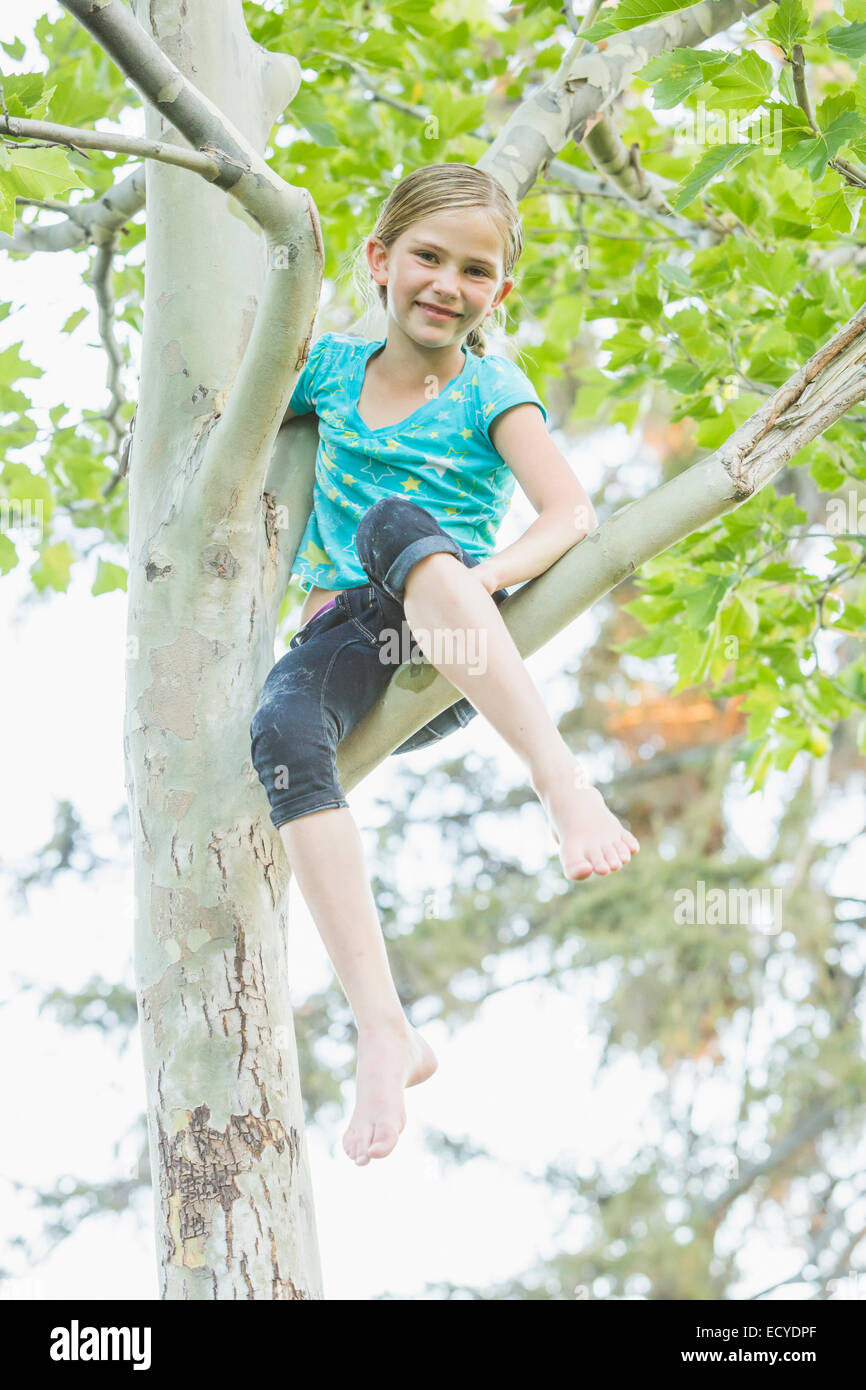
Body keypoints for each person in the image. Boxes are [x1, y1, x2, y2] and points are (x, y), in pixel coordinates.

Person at [250, 163, 639, 1167]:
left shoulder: (487, 384)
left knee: (393, 522)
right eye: (426, 256)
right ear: (379, 261)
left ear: (497, 294)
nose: (446, 283)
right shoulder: (329, 370)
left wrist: (484, 572)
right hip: (347, 631)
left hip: (458, 625)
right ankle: (382, 1023)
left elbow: (569, 513)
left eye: (475, 271)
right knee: (280, 734)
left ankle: (561, 784)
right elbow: (224, 390)